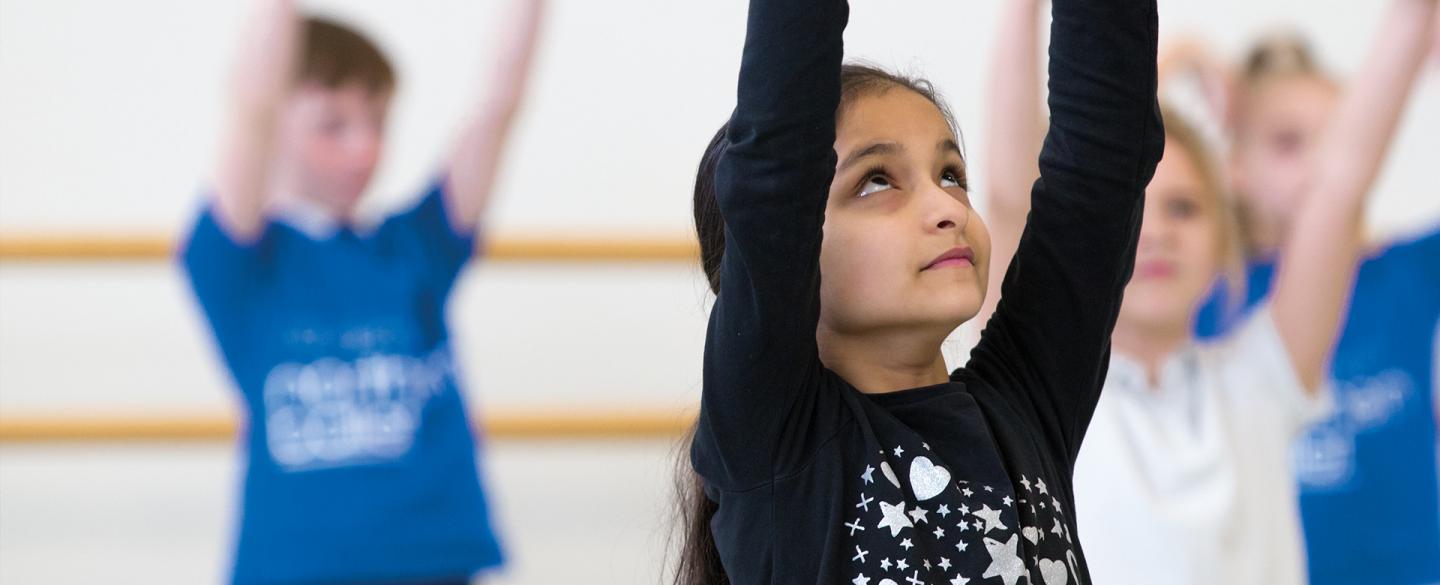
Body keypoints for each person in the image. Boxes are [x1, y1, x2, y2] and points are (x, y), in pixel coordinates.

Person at [673, 0, 1163, 582]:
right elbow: (774, 173)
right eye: (875, 182)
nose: (944, 208)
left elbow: (1100, 167)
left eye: (951, 175)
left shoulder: (1026, 406)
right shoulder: (780, 442)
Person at [982, 0, 1437, 583]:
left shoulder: (1260, 379)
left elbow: (1338, 188)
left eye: (1184, 208)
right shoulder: (1039, 389)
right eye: (1136, 209)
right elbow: (1009, 195)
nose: (1159, 232)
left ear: (1223, 237)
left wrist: (1412, 19)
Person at [179, 1, 544, 583]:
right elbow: (249, 106)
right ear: (277, 123)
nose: (366, 148)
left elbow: (498, 104)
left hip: (434, 561)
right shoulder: (239, 263)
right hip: (296, 566)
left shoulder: (416, 248)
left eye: (378, 121)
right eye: (333, 124)